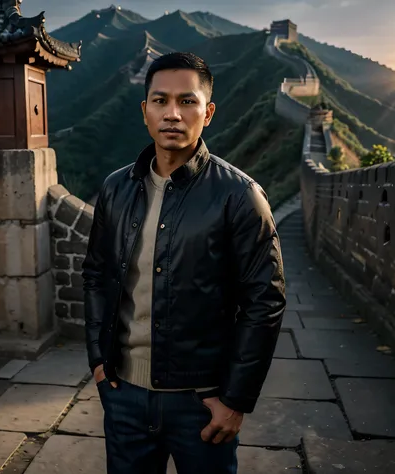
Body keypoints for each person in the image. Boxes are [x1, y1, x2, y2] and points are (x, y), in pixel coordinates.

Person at [82, 52, 286, 474]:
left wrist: (235, 400)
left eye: (187, 101)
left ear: (208, 112)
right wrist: (99, 364)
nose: (172, 114)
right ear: (144, 111)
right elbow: (96, 275)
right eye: (160, 101)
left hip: (202, 402)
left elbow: (264, 302)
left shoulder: (240, 196)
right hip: (123, 394)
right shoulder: (116, 188)